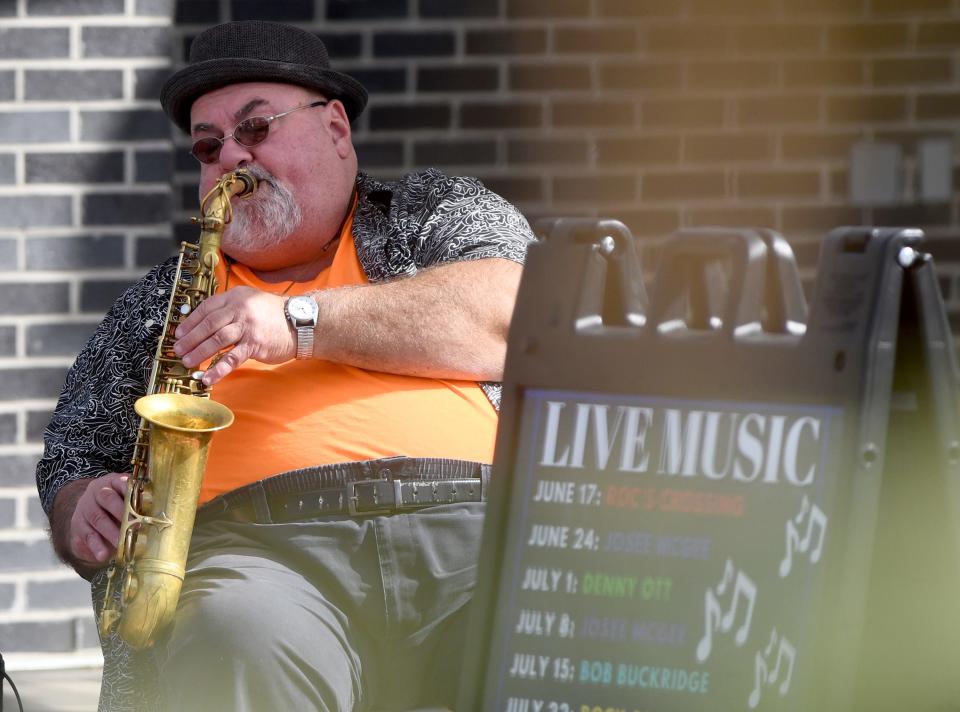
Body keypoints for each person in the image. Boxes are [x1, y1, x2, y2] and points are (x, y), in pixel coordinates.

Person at [35, 20, 535, 712]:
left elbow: (520, 320)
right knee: (231, 636)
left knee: (559, 631)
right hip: (261, 561)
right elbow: (71, 455)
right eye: (209, 148)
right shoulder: (154, 304)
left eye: (256, 128)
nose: (231, 159)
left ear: (335, 128)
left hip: (478, 533)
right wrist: (81, 509)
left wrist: (299, 324)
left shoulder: (435, 211)